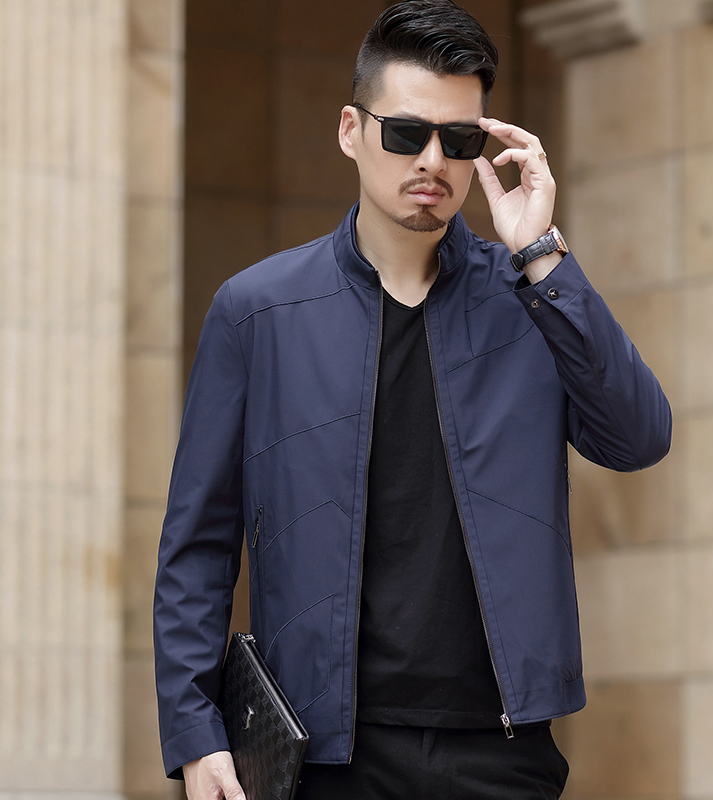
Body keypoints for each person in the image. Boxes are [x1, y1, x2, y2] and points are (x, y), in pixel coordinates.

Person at [153, 1, 672, 798]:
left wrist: (541, 256)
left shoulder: (530, 298)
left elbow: (637, 437)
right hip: (323, 758)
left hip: (500, 753)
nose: (433, 160)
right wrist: (197, 733)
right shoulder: (256, 311)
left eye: (458, 141)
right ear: (350, 131)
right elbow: (197, 544)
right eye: (405, 133)